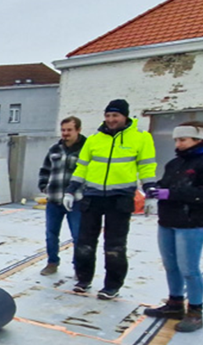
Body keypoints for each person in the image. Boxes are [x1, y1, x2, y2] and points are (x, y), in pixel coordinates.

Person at [64, 99, 157, 300]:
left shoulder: (141, 138)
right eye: (108, 116)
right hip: (93, 196)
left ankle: (112, 285)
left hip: (120, 198)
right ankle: (83, 279)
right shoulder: (95, 140)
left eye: (115, 116)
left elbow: (147, 167)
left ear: (125, 116)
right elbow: (82, 167)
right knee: (85, 242)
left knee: (115, 245)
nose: (111, 120)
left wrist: (150, 193)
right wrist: (71, 190)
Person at [143, 122, 203, 332]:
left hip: (192, 223)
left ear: (198, 140)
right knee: (171, 266)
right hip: (168, 221)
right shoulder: (175, 163)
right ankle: (175, 303)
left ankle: (195, 312)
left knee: (189, 269)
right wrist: (155, 188)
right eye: (176, 140)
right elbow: (167, 182)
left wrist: (172, 194)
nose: (178, 144)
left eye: (182, 140)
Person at [38, 116, 86, 276]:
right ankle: (52, 262)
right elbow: (45, 169)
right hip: (54, 200)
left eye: (69, 130)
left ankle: (79, 267)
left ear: (78, 130)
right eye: (63, 130)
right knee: (51, 233)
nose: (65, 133)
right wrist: (44, 186)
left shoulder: (86, 150)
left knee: (78, 235)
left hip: (77, 201)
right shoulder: (55, 149)